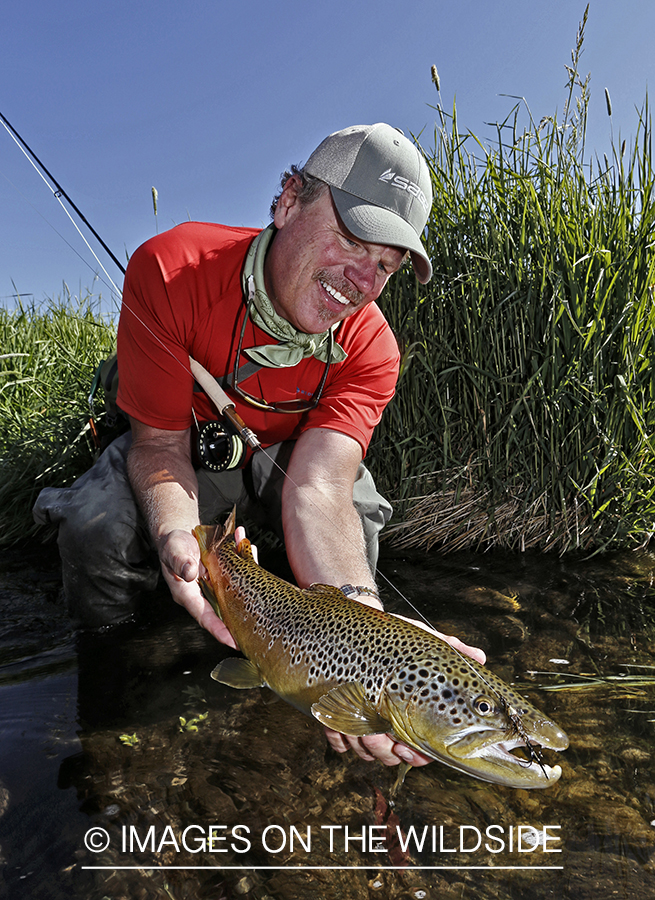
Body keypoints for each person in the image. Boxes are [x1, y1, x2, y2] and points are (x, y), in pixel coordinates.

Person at [34, 123, 484, 768]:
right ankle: (112, 689)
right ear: (289, 200)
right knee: (95, 528)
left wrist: (371, 635)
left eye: (386, 265)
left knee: (361, 528)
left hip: (295, 467)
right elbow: (157, 444)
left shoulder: (373, 347)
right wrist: (175, 539)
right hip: (180, 449)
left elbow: (324, 486)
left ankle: (301, 680)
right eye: (354, 237)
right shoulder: (172, 270)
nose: (363, 278)